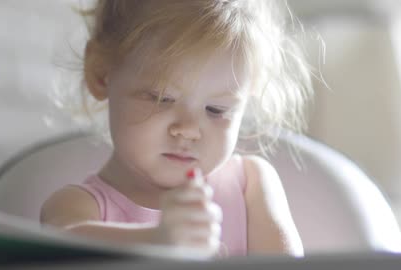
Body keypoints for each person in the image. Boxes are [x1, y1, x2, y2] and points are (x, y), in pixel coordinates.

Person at [41, 0, 312, 258]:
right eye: (162, 99)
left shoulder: (250, 184)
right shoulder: (77, 206)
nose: (189, 130)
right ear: (101, 73)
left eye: (216, 110)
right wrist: (157, 242)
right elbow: (61, 248)